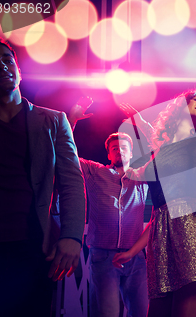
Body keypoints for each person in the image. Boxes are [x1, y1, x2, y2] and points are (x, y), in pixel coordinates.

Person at [112, 90, 196, 317]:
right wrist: (132, 251)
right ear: (180, 107)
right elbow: (161, 213)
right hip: (162, 242)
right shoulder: (160, 154)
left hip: (194, 236)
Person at [0, 35, 85, 317]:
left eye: (7, 60)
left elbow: (71, 182)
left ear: (18, 69)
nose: (2, 66)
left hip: (34, 245)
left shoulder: (54, 120)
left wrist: (72, 236)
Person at [67, 99, 150, 317]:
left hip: (136, 257)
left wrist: (139, 121)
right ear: (109, 155)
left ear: (132, 153)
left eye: (124, 148)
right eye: (115, 149)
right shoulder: (96, 172)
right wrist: (71, 120)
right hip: (103, 256)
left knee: (142, 313)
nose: (120, 151)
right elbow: (66, 154)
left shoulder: (141, 175)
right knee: (108, 314)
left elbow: (162, 151)